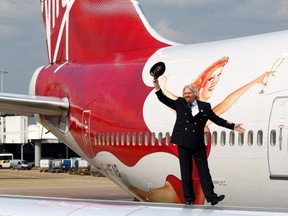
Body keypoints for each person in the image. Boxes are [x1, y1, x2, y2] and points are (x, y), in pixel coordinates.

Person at [153, 79, 245, 205]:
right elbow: (164, 100)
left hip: (197, 143)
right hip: (183, 141)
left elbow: (217, 120)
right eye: (185, 93)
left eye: (189, 93)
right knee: (186, 171)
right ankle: (189, 199)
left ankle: (211, 197)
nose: (186, 95)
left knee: (204, 171)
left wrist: (233, 126)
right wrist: (157, 87)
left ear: (195, 94)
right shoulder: (179, 103)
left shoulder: (204, 107)